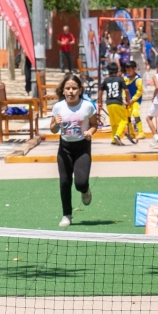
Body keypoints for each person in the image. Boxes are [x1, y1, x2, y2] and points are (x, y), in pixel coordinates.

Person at [50, 74, 97, 226]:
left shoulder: (87, 106)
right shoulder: (58, 107)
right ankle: (67, 215)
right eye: (67, 88)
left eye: (74, 88)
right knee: (64, 182)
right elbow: (52, 129)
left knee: (80, 182)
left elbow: (94, 125)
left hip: (82, 148)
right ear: (63, 91)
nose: (71, 91)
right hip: (64, 148)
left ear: (80, 90)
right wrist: (55, 124)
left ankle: (85, 190)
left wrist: (90, 132)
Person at [101, 62, 129, 146]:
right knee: (124, 120)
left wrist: (99, 102)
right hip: (118, 102)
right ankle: (117, 135)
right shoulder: (120, 79)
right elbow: (126, 90)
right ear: (117, 70)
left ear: (108, 71)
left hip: (109, 103)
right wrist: (128, 100)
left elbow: (100, 91)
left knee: (113, 123)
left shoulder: (106, 80)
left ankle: (113, 139)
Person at [124, 60, 144, 141]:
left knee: (135, 113)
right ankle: (131, 133)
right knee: (127, 116)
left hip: (135, 100)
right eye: (127, 70)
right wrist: (124, 98)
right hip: (127, 101)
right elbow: (123, 89)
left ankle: (141, 132)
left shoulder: (138, 79)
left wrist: (132, 100)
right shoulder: (125, 78)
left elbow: (140, 91)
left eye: (130, 70)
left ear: (134, 69)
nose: (128, 72)